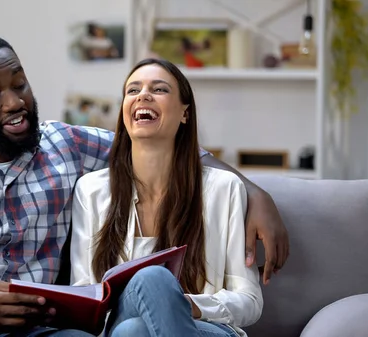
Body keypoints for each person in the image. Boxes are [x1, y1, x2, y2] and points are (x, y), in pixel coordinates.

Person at [0, 34, 286, 337]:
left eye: (20, 85)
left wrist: (253, 191)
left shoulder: (65, 145)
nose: (15, 101)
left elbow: (157, 143)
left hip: (35, 330)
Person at [69, 58, 263, 337]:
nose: (143, 95)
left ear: (185, 113)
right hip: (119, 326)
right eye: (133, 90)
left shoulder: (224, 188)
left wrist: (180, 304)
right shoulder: (91, 191)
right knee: (132, 327)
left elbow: (250, 302)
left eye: (159, 89)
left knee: (144, 303)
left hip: (206, 329)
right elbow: (83, 294)